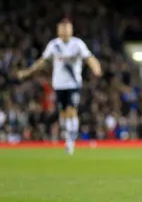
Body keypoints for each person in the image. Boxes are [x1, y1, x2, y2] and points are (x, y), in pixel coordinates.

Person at [18, 19, 102, 154]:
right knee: (62, 113)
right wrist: (28, 72)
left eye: (67, 28)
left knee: (71, 110)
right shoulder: (54, 45)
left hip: (74, 84)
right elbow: (43, 61)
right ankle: (68, 134)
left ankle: (70, 141)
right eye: (62, 28)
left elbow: (89, 57)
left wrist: (96, 67)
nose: (65, 31)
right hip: (58, 85)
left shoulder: (77, 44)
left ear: (71, 30)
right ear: (58, 30)